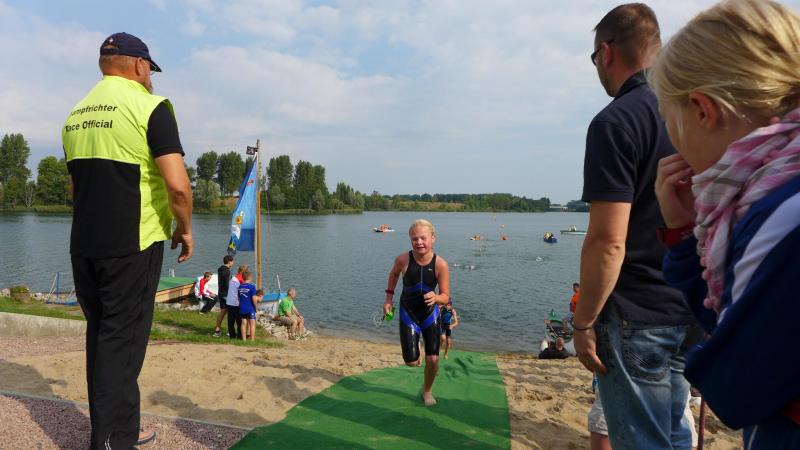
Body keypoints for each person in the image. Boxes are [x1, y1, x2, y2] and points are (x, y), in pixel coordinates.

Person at [650, 1, 800, 447]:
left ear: (702, 110)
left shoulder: (782, 216)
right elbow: (740, 321)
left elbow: (735, 391)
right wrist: (682, 234)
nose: (673, 143)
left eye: (669, 121)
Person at [573, 5, 696, 449]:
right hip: (691, 302)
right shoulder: (691, 112)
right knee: (675, 433)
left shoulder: (617, 121)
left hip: (635, 312)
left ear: (607, 53)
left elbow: (608, 241)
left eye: (594, 59)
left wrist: (584, 322)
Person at [62, 32, 192, 449]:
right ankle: (109, 442)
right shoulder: (151, 107)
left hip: (84, 244)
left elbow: (74, 189)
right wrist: (184, 228)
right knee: (123, 344)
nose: (151, 78)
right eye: (151, 70)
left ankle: (125, 428)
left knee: (104, 338)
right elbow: (178, 187)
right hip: (132, 243)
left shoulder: (76, 114)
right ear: (139, 65)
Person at [384, 219, 451, 406]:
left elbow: (446, 296)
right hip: (409, 312)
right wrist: (388, 299)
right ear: (410, 240)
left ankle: (427, 390)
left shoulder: (440, 265)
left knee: (433, 358)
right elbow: (393, 275)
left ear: (433, 238)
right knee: (412, 362)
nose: (419, 242)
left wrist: (436, 298)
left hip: (430, 313)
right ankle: (416, 349)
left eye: (423, 238)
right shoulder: (403, 260)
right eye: (415, 239)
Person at [213, 255, 234, 337]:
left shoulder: (220, 269)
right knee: (230, 313)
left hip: (221, 293)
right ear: (229, 262)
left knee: (222, 312)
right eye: (232, 261)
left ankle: (217, 330)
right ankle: (229, 331)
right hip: (227, 294)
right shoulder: (227, 271)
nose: (233, 263)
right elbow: (227, 283)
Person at [225, 264, 247, 339]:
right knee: (239, 321)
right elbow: (242, 292)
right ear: (244, 272)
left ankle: (232, 335)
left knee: (230, 320)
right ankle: (240, 336)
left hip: (229, 302)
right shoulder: (241, 280)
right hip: (236, 303)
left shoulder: (233, 278)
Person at [238, 271, 258, 341]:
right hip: (250, 308)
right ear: (250, 278)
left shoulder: (240, 287)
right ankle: (252, 340)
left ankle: (244, 339)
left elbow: (239, 298)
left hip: (242, 308)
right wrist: (255, 307)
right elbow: (254, 298)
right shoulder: (252, 287)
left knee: (243, 323)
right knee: (252, 324)